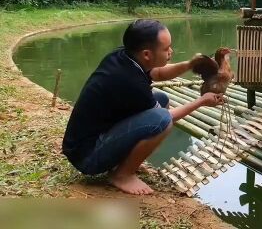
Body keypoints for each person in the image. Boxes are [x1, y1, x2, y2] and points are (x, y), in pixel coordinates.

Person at [62, 19, 223, 195]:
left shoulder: (125, 57)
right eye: (166, 48)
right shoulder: (131, 82)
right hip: (89, 157)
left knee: (161, 98)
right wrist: (201, 101)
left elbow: (159, 73)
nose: (171, 51)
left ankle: (123, 163)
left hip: (88, 143)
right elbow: (167, 117)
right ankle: (122, 175)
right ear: (147, 54)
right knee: (161, 119)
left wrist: (190, 65)